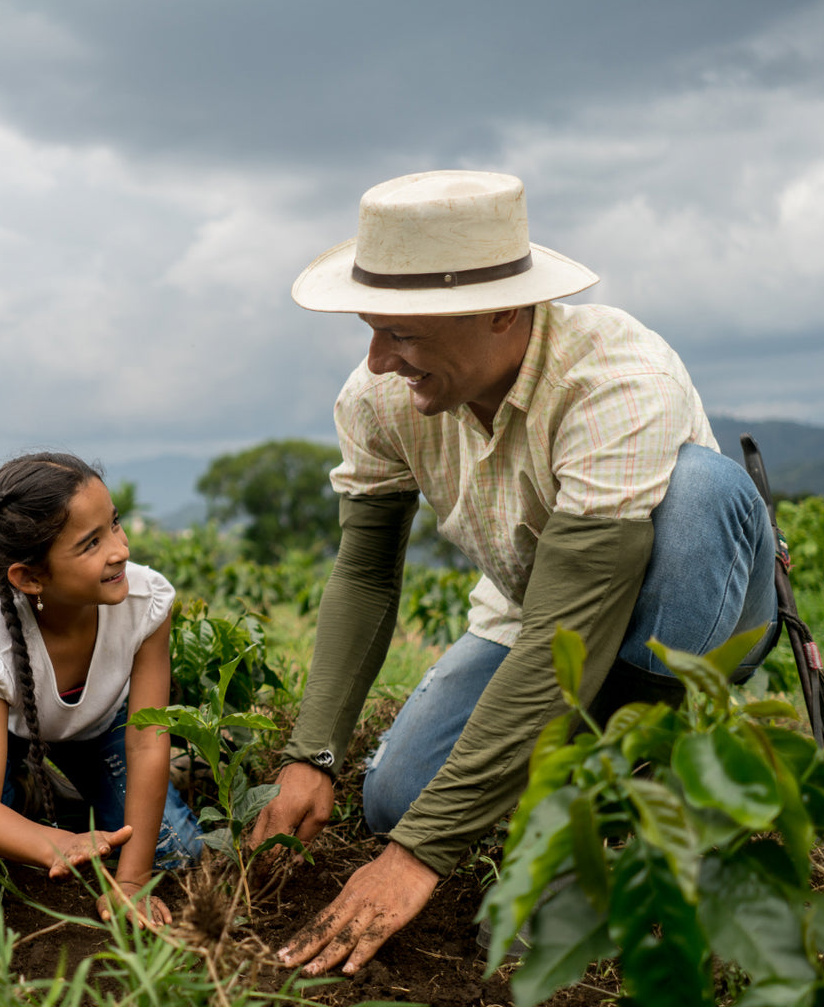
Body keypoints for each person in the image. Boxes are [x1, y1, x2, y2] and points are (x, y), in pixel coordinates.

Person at [249, 170, 777, 975]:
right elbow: (364, 576)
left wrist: (418, 858)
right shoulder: (382, 399)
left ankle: (624, 783)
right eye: (372, 329)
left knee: (703, 489)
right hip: (534, 613)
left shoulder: (617, 381)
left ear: (504, 312)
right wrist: (310, 752)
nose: (380, 358)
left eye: (404, 334)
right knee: (397, 797)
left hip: (691, 616)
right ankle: (569, 776)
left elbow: (577, 629)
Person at [0, 452, 201, 927]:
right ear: (30, 578)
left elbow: (146, 743)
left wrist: (130, 884)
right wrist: (57, 845)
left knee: (179, 851)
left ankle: (66, 795)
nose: (120, 550)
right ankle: (32, 792)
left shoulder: (146, 603)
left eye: (114, 525)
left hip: (98, 726)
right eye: (90, 543)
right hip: (6, 728)